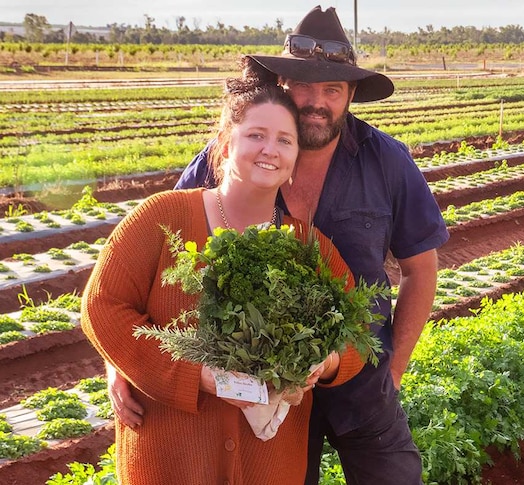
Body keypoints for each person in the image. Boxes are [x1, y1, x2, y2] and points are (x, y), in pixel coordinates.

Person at [108, 5, 449, 484]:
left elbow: (421, 269)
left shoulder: (386, 161)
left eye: (332, 90)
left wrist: (393, 369)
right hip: (263, 383)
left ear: (350, 95)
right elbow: (144, 263)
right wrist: (125, 361)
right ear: (282, 87)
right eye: (304, 86)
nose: (316, 101)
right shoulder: (234, 154)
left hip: (359, 374)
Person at [81, 56, 366, 484]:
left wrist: (324, 362)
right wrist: (194, 375)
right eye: (256, 135)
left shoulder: (308, 246)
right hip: (169, 460)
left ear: (295, 156)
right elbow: (103, 307)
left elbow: (356, 330)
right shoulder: (162, 218)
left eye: (285, 140)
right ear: (226, 142)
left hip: (269, 467)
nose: (270, 149)